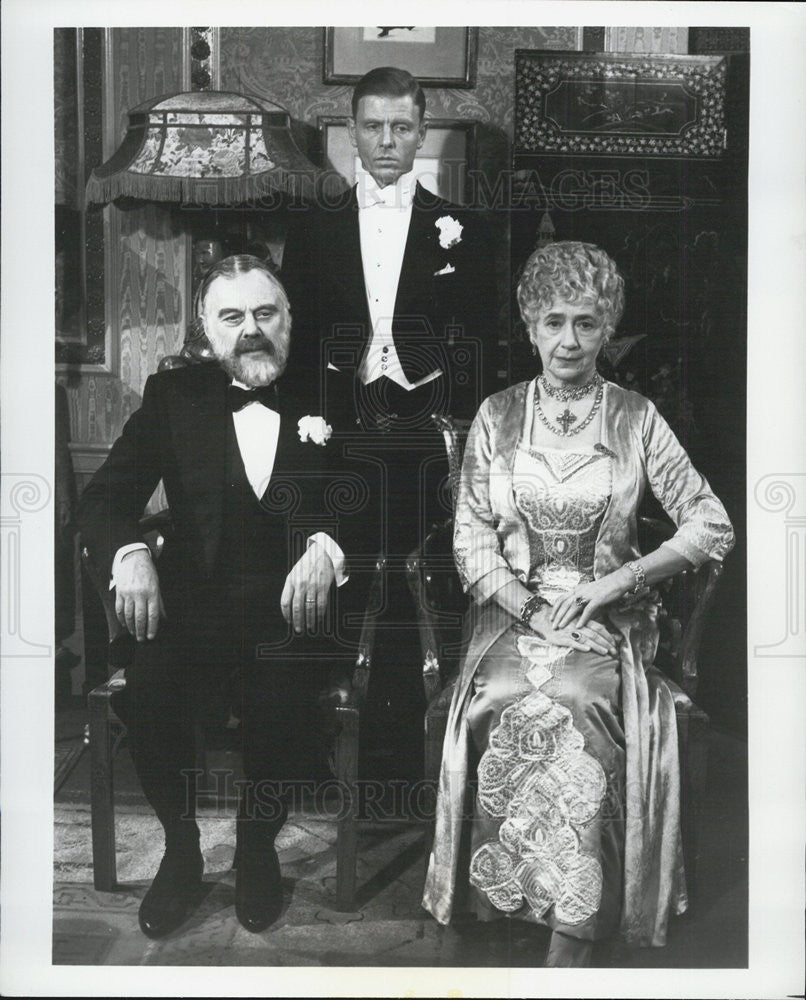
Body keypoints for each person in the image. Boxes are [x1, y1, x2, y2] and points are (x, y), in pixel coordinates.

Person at [421, 242, 735, 965]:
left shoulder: (637, 418)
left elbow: (712, 523)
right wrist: (534, 614)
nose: (569, 340)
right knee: (497, 696)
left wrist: (619, 584)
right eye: (554, 321)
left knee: (581, 695)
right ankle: (499, 901)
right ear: (529, 326)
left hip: (611, 617)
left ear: (608, 329)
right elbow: (471, 546)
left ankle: (575, 922)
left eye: (587, 324)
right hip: (512, 614)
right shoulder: (496, 417)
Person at [77, 255, 350, 939]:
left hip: (294, 611)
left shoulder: (337, 391)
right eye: (232, 317)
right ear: (205, 328)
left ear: (288, 318)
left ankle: (257, 846)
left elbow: (385, 499)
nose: (251, 330)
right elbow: (104, 498)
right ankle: (181, 847)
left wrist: (328, 548)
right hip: (192, 608)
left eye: (266, 313)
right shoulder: (175, 396)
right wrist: (128, 552)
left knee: (284, 693)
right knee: (148, 688)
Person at [281, 67, 498, 764]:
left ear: (421, 133)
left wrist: (447, 409)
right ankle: (335, 755)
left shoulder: (462, 228)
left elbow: (480, 346)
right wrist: (313, 424)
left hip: (429, 433)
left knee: (418, 583)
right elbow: (302, 344)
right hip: (341, 427)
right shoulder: (313, 232)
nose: (386, 142)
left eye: (401, 127)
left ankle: (413, 755)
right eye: (372, 127)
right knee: (338, 554)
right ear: (351, 132)